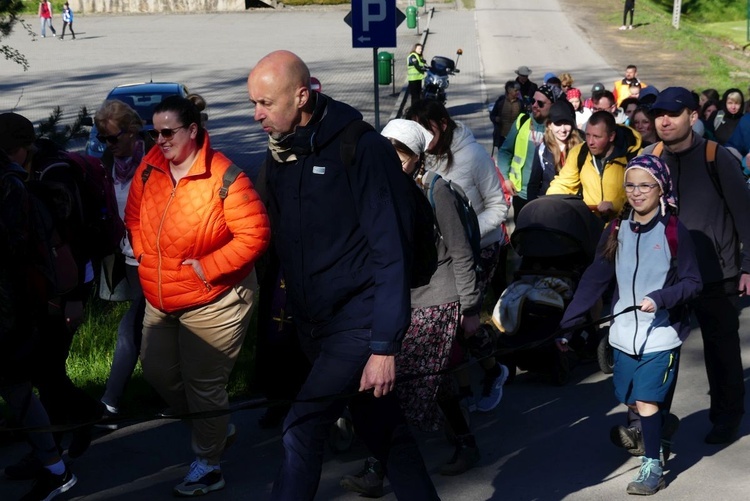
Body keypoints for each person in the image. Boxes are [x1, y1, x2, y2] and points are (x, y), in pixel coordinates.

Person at [246, 50, 439, 501]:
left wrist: (384, 347)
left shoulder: (361, 147)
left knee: (302, 425)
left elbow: (390, 251)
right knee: (386, 434)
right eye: (253, 103)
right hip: (313, 325)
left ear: (301, 95)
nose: (257, 115)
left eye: (266, 103)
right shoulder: (281, 154)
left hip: (361, 325)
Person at [124, 95, 270, 496]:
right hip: (162, 296)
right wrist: (141, 252)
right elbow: (134, 216)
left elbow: (254, 235)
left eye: (168, 132)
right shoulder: (150, 167)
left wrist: (208, 268)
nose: (159, 139)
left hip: (217, 298)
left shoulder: (226, 177)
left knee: (204, 384)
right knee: (156, 371)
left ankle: (209, 464)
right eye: (153, 132)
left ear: (193, 130)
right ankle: (217, 426)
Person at [340, 120, 486, 496]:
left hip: (438, 298)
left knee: (397, 382)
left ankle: (378, 467)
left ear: (417, 157)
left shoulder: (437, 191)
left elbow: (461, 251)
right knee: (430, 380)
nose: (392, 161)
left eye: (400, 154)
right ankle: (466, 442)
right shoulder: (387, 188)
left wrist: (470, 309)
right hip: (403, 300)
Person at [556, 154, 702, 495]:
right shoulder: (616, 229)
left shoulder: (674, 230)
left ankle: (653, 467)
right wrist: (569, 322)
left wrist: (662, 297)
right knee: (631, 400)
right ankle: (661, 427)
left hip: (661, 336)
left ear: (661, 187)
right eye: (630, 186)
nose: (636, 193)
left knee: (647, 401)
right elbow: (596, 277)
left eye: (645, 186)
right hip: (622, 336)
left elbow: (694, 282)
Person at [641, 87, 750, 445]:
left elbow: (745, 215)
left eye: (673, 114)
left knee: (722, 352)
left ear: (693, 116)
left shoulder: (715, 157)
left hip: (716, 274)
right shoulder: (650, 157)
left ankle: (726, 417)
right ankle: (654, 427)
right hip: (668, 276)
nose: (665, 121)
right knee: (658, 352)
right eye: (659, 115)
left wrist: (748, 265)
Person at [0, 113, 103, 473]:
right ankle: (62, 432)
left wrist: (72, 297)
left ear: (25, 147)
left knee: (45, 369)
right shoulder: (24, 172)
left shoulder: (54, 174)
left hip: (68, 283)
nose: (6, 157)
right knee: (42, 368)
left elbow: (73, 238)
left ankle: (66, 432)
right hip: (44, 285)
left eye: (10, 150)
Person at [405, 99, 510, 413]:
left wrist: (465, 232)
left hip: (481, 248)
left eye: (427, 128)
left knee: (465, 319)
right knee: (450, 325)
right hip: (443, 253)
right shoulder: (422, 159)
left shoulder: (474, 155)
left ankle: (493, 370)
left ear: (444, 124)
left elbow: (499, 206)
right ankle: (462, 389)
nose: (422, 136)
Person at [0, 146, 78, 501]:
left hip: (8, 311)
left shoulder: (8, 187)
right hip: (11, 310)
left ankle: (55, 468)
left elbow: (13, 251)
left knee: (17, 388)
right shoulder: (11, 183)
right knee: (16, 389)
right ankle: (55, 468)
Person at [95, 99, 154, 427]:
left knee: (130, 327)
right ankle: (178, 392)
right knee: (154, 328)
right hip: (128, 258)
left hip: (156, 258)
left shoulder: (153, 160)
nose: (108, 145)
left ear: (133, 133)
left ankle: (111, 403)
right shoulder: (107, 163)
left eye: (113, 137)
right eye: (103, 138)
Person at [547, 110, 642, 221]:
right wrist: (548, 202)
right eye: (587, 135)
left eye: (596, 136)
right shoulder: (579, 153)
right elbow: (563, 183)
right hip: (590, 225)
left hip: (622, 225)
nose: (590, 142)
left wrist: (614, 205)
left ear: (611, 136)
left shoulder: (635, 157)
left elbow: (640, 193)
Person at [498, 84, 556, 220]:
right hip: (521, 193)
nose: (534, 105)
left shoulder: (558, 128)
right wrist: (506, 179)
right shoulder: (522, 121)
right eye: (533, 101)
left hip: (546, 196)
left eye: (540, 103)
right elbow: (505, 151)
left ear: (552, 105)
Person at [527, 99, 583, 200]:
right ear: (549, 125)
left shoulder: (581, 146)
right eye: (558, 124)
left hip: (575, 203)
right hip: (549, 204)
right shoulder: (542, 149)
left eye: (566, 123)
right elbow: (533, 184)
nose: (563, 129)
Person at [489, 80, 522, 151]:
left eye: (518, 90)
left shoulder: (520, 103)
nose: (518, 92)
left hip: (515, 137)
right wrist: (496, 119)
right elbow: (492, 115)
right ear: (509, 90)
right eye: (516, 90)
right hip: (502, 137)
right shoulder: (501, 102)